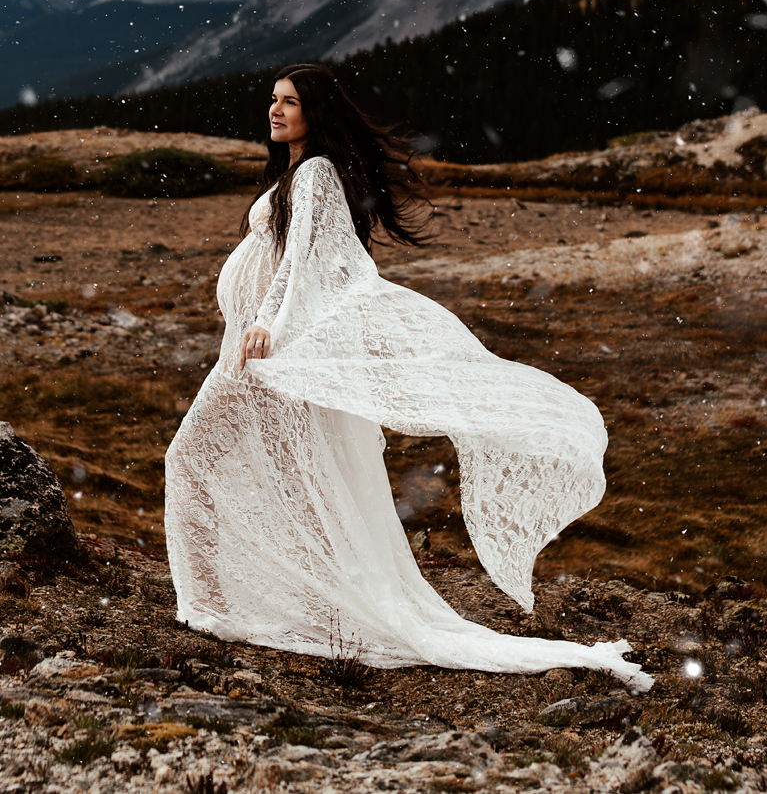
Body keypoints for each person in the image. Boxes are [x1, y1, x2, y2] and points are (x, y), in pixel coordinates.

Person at [162, 63, 652, 684]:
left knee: (200, 459)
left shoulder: (314, 172)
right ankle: (236, 603)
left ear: (317, 112)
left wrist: (262, 322)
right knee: (274, 472)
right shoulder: (299, 169)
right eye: (273, 100)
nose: (275, 111)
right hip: (263, 347)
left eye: (290, 102)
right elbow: (292, 253)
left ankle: (215, 608)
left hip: (268, 350)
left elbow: (301, 265)